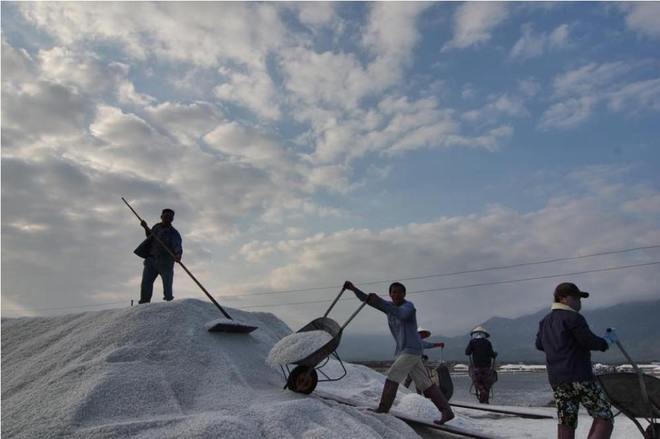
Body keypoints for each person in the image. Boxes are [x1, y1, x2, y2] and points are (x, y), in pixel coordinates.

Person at [343, 280, 454, 424]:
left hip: (411, 349)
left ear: (404, 294)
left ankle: (383, 408)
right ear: (390, 294)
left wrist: (380, 302)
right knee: (424, 383)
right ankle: (447, 412)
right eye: (393, 292)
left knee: (392, 374)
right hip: (407, 350)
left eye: (399, 292)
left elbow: (401, 314)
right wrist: (354, 289)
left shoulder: (408, 307)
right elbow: (369, 301)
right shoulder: (388, 306)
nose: (396, 295)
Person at [535, 282, 614, 439]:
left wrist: (557, 347)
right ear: (563, 298)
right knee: (604, 414)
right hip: (580, 377)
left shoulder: (545, 321)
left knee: (566, 420)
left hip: (558, 380)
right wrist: (606, 342)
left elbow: (539, 344)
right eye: (576, 298)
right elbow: (588, 341)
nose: (579, 302)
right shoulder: (574, 318)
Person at [134, 208, 183, 304]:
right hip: (151, 260)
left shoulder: (174, 233)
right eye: (165, 216)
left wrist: (178, 255)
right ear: (161, 217)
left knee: (167, 284)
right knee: (146, 283)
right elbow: (150, 236)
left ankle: (169, 302)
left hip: (166, 262)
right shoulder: (156, 227)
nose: (167, 218)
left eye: (169, 217)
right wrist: (145, 227)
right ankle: (144, 302)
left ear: (172, 219)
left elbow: (177, 246)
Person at [404, 327, 445, 393]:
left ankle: (417, 395)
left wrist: (439, 344)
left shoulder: (418, 341)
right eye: (422, 334)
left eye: (424, 334)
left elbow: (428, 345)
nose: (423, 336)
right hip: (412, 363)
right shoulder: (415, 341)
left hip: (416, 363)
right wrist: (438, 344)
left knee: (416, 379)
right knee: (411, 379)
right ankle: (405, 393)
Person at [465, 326, 498, 404]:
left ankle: (482, 392)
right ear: (484, 335)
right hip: (487, 367)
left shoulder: (472, 342)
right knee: (487, 383)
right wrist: (495, 354)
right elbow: (492, 354)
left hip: (477, 367)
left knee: (477, 381)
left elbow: (467, 353)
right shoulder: (488, 342)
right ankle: (485, 400)